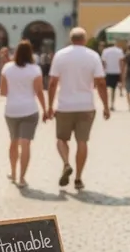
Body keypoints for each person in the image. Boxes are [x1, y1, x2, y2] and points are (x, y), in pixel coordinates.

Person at [46, 27, 109, 190]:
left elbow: (52, 83)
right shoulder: (93, 56)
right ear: (85, 39)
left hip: (65, 105)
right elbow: (101, 83)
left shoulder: (60, 55)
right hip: (86, 105)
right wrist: (106, 106)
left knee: (61, 139)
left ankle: (66, 163)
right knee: (82, 141)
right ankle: (79, 178)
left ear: (70, 39)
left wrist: (49, 106)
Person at [1, 39, 45, 187]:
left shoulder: (7, 68)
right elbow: (39, 91)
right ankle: (22, 178)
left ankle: (13, 173)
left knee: (13, 141)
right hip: (29, 109)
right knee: (25, 144)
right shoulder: (35, 69)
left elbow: (3, 91)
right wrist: (45, 109)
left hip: (12, 109)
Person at [100, 39, 125, 108]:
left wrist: (102, 71)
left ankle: (107, 103)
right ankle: (112, 103)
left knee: (107, 88)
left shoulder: (105, 51)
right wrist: (121, 71)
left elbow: (103, 62)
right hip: (116, 71)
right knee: (114, 89)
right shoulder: (119, 51)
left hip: (108, 72)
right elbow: (121, 62)